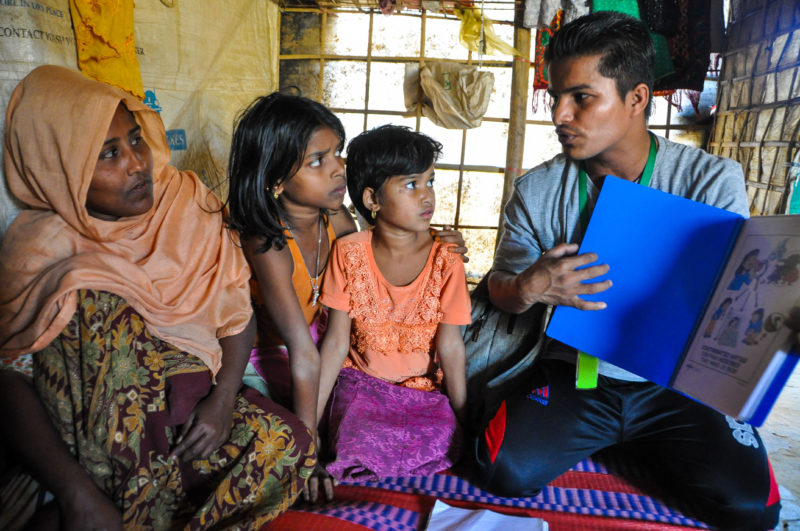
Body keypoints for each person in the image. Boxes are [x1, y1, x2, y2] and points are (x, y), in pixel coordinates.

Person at [475, 11, 780, 530]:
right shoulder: (537, 191)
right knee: (501, 470)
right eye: (555, 97)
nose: (559, 114)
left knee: (754, 509)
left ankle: (643, 440)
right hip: (577, 375)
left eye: (581, 97)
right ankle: (622, 439)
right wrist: (532, 285)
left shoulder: (710, 179)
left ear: (637, 98)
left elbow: (731, 295)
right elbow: (500, 293)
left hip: (676, 385)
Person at [0, 65, 314, 530]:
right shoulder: (42, 250)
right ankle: (114, 504)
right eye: (108, 153)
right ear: (61, 166)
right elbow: (8, 378)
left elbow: (235, 315)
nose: (136, 163)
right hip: (103, 445)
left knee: (289, 443)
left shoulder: (186, 203)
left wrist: (224, 401)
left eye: (135, 140)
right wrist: (74, 492)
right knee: (94, 298)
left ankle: (135, 512)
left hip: (191, 415)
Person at [225, 94, 467, 499]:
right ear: (277, 181)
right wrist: (309, 454)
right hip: (274, 358)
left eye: (336, 152)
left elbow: (381, 256)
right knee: (278, 442)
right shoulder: (267, 244)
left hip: (323, 354)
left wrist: (438, 242)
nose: (339, 168)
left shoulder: (337, 219)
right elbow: (304, 353)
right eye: (318, 161)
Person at [315, 125, 471, 481]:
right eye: (411, 185)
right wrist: (311, 424)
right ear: (372, 200)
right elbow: (336, 342)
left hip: (422, 390)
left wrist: (464, 418)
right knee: (357, 440)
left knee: (446, 439)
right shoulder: (349, 253)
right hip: (362, 387)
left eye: (430, 182)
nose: (426, 196)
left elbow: (450, 344)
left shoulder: (447, 259)